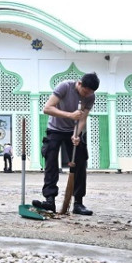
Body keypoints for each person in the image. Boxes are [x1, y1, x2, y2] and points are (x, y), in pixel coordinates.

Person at [32, 72, 100, 215]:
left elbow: (82, 119)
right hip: (55, 129)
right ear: (80, 84)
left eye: (89, 94)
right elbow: (47, 108)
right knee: (51, 161)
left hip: (72, 130)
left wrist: (76, 134)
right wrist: (70, 115)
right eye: (84, 92)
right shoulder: (65, 87)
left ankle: (78, 203)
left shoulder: (90, 96)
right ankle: (49, 200)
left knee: (80, 162)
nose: (86, 95)